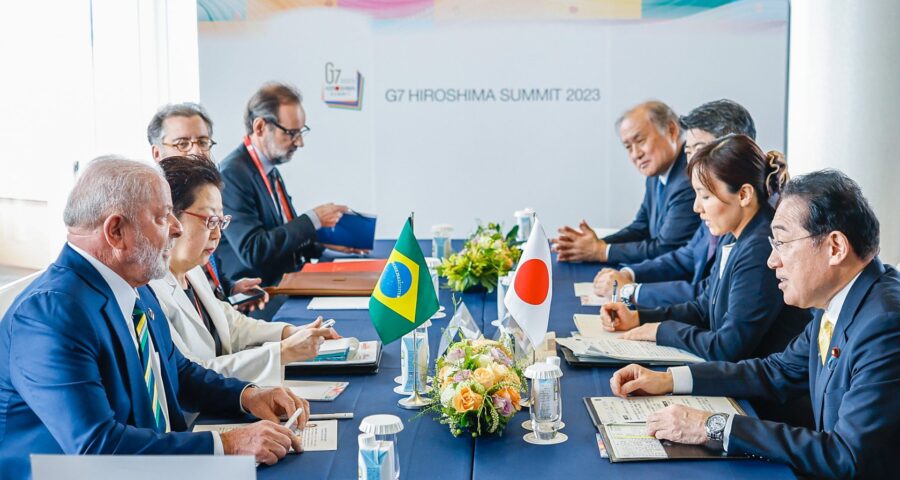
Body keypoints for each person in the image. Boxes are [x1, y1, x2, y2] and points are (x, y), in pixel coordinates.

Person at [0, 157, 312, 478]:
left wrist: (248, 395)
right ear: (116, 230)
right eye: (163, 217)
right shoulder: (50, 315)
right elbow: (97, 447)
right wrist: (227, 446)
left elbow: (175, 371)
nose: (176, 228)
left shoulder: (134, 284)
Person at [608, 170, 899, 478]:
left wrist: (712, 426)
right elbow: (777, 372)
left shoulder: (884, 325)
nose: (772, 260)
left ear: (835, 248)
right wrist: (668, 380)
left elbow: (845, 456)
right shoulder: (842, 299)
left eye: (783, 242)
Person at [600, 135, 810, 362]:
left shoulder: (760, 248)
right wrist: (639, 317)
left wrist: (660, 331)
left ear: (744, 194)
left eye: (706, 196)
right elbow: (703, 308)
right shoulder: (733, 235)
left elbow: (727, 347)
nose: (696, 207)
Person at [149, 155, 340, 386]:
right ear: (171, 219)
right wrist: (282, 352)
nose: (218, 234)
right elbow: (188, 375)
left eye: (221, 222)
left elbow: (231, 324)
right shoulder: (151, 292)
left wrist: (288, 332)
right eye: (209, 221)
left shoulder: (194, 270)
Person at [593, 99, 757, 307]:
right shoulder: (714, 204)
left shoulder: (752, 227)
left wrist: (630, 290)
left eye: (700, 149)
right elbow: (687, 255)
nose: (692, 163)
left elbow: (708, 297)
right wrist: (629, 273)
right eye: (689, 152)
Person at [217, 82, 363, 287]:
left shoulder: (269, 169)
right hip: (260, 294)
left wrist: (326, 243)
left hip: (286, 282)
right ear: (259, 127)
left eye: (301, 132)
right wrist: (313, 219)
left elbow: (281, 236)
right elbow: (253, 250)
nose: (299, 142)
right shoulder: (232, 174)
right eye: (291, 133)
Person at [146, 102, 266, 311]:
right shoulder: (152, 212)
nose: (197, 151)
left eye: (203, 141)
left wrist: (229, 289)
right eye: (182, 143)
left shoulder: (207, 193)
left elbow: (203, 267)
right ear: (157, 153)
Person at [553, 100, 699, 264]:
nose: (636, 154)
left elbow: (666, 248)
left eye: (640, 140)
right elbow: (641, 228)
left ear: (671, 130)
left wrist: (600, 251)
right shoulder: (656, 174)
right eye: (628, 147)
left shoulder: (690, 178)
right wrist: (594, 245)